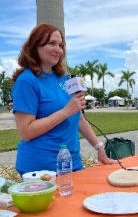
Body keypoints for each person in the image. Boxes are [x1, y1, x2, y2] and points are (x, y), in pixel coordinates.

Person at [11, 23, 116, 175]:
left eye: (60, 45)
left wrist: (99, 147)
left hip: (73, 162)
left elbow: (79, 118)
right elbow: (26, 131)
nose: (58, 49)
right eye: (51, 43)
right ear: (35, 45)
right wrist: (66, 111)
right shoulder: (26, 81)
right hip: (41, 169)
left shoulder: (67, 79)